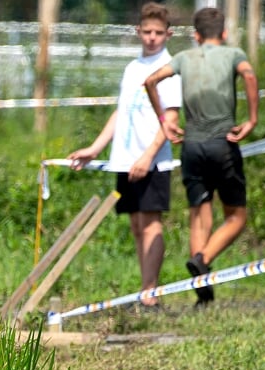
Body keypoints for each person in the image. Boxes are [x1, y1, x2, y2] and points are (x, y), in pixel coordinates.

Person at [65, 3, 181, 308]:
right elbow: (122, 112)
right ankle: (144, 291)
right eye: (147, 32)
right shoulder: (132, 69)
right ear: (138, 32)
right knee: (135, 225)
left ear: (168, 34)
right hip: (125, 158)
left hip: (152, 160)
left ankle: (149, 294)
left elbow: (170, 120)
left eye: (158, 33)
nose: (152, 38)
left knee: (151, 223)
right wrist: (95, 148)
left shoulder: (170, 67)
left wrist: (147, 157)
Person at [144, 6, 259, 306]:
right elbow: (248, 76)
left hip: (192, 146)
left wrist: (165, 121)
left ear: (195, 35)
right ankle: (203, 258)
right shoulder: (234, 54)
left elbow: (150, 81)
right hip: (223, 144)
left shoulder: (184, 57)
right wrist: (252, 119)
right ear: (223, 33)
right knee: (236, 217)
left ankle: (203, 294)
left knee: (199, 216)